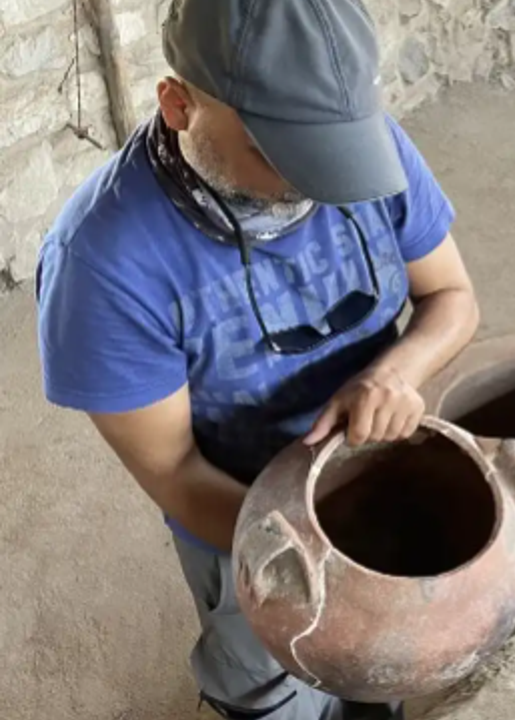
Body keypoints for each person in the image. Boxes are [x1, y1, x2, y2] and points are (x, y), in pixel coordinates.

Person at [35, 1, 479, 718]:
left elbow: (452, 297)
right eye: (279, 154)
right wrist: (324, 562)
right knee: (278, 689)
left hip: (380, 478)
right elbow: (176, 475)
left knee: (378, 678)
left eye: (334, 153)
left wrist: (393, 372)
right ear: (178, 106)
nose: (315, 185)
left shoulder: (373, 151)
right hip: (241, 520)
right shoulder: (104, 265)